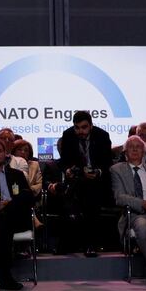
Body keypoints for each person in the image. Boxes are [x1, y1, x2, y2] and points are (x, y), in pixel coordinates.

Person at [111, 135, 146, 291]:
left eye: (138, 146)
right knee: (142, 228)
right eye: (131, 146)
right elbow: (119, 197)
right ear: (125, 152)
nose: (135, 149)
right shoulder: (117, 170)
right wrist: (143, 204)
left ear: (145, 151)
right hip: (138, 214)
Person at [58, 110, 113, 257]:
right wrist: (68, 170)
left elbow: (107, 163)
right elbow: (64, 162)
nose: (80, 131)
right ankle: (70, 242)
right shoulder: (68, 135)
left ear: (91, 125)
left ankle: (89, 243)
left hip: (98, 180)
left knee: (90, 193)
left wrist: (98, 172)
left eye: (84, 127)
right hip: (77, 178)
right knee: (70, 193)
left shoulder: (102, 136)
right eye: (77, 127)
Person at [0, 137, 35, 290]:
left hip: (16, 217)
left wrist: (9, 203)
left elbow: (28, 197)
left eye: (0, 151)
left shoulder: (17, 174)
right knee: (3, 223)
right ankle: (4, 275)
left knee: (7, 217)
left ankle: (2, 275)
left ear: (6, 153)